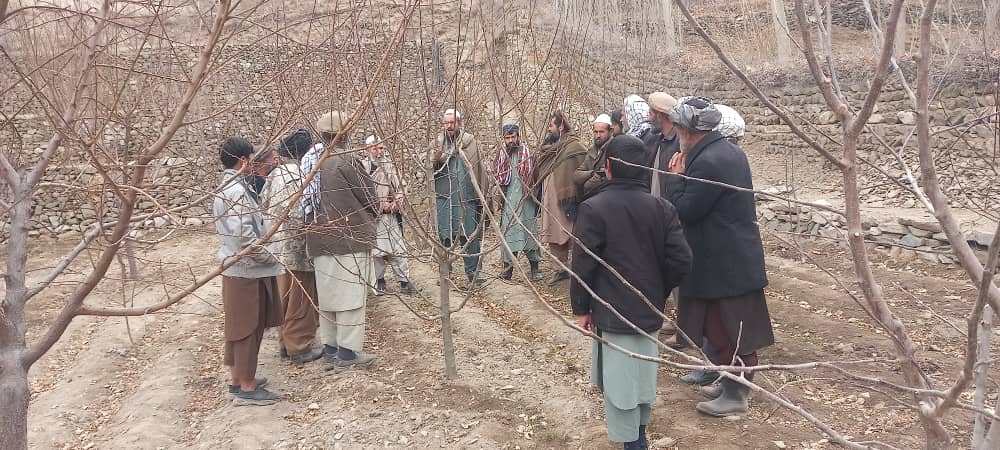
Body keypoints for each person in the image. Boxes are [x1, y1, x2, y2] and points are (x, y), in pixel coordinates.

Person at [571, 134, 692, 449]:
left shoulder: (593, 208)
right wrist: (657, 290)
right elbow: (682, 261)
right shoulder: (661, 208)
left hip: (612, 313)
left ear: (608, 167)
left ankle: (635, 444)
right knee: (636, 385)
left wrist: (581, 308)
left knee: (625, 389)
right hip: (646, 312)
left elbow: (583, 265)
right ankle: (637, 441)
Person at [665, 96, 774, 417]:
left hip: (722, 263)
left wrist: (675, 178)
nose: (676, 133)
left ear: (688, 129)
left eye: (679, 127)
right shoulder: (725, 151)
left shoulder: (708, 162)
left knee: (729, 331)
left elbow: (685, 210)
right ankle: (730, 383)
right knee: (723, 328)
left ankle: (736, 395)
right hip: (729, 259)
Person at [305, 111, 380, 372]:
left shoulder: (312, 161)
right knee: (350, 297)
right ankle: (348, 353)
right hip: (348, 238)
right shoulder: (345, 161)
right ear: (344, 134)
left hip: (317, 238)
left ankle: (331, 347)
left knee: (327, 297)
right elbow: (370, 197)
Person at [212, 137, 284, 406]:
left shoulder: (226, 187)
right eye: (252, 158)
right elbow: (245, 239)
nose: (255, 162)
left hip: (237, 269)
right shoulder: (237, 192)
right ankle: (247, 386)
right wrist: (271, 255)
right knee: (247, 328)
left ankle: (237, 379)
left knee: (238, 328)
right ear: (243, 161)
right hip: (246, 272)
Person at [260, 129, 323, 365]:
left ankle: (284, 343)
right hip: (297, 249)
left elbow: (263, 205)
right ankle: (299, 346)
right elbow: (300, 213)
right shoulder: (299, 176)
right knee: (300, 300)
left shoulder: (275, 175)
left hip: (277, 248)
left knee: (283, 299)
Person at [431, 108, 489, 286]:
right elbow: (428, 169)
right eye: (446, 123)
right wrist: (435, 159)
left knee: (469, 236)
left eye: (452, 123)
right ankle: (445, 274)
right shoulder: (437, 143)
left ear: (459, 123)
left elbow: (480, 169)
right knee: (444, 237)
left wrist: (483, 198)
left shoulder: (470, 142)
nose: (448, 126)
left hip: (466, 198)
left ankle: (473, 275)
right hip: (445, 200)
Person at [534, 110, 588, 286]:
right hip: (550, 199)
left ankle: (580, 269)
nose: (549, 130)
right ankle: (560, 270)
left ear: (561, 126)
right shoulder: (550, 147)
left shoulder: (574, 146)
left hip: (567, 199)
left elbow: (583, 168)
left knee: (572, 234)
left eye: (551, 126)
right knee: (553, 233)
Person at [361, 135, 414, 294]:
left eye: (382, 148)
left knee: (398, 250)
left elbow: (401, 187)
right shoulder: (361, 167)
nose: (379, 151)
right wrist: (377, 206)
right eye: (375, 148)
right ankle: (379, 280)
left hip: (390, 216)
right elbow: (361, 192)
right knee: (376, 252)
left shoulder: (390, 166)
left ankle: (404, 281)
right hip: (372, 216)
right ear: (368, 149)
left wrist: (396, 203)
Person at [494, 123, 543, 281]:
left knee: (530, 234)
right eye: (507, 138)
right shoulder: (501, 155)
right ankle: (508, 269)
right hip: (509, 202)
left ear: (518, 136)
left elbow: (538, 177)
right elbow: (498, 178)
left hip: (526, 201)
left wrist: (536, 198)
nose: (510, 141)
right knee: (509, 235)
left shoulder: (529, 154)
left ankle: (535, 268)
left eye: (512, 137)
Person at [643, 92, 679, 199]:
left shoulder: (679, 144)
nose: (648, 120)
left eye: (650, 114)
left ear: (659, 116)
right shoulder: (655, 140)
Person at [573, 114, 614, 196]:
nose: (598, 135)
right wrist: (591, 173)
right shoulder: (592, 151)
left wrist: (586, 184)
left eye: (602, 132)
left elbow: (599, 180)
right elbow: (576, 175)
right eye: (596, 132)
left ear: (610, 132)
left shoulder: (613, 149)